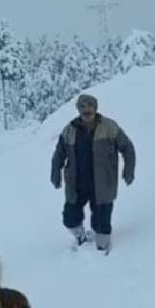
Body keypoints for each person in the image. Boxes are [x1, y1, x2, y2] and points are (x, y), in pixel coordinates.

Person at [50, 93, 135, 252]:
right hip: (77, 184)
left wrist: (128, 170)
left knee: (101, 224)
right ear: (78, 110)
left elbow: (127, 148)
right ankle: (81, 236)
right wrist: (55, 173)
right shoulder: (69, 130)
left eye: (89, 106)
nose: (86, 109)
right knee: (70, 218)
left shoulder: (109, 127)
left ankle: (103, 249)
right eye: (82, 106)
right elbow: (59, 154)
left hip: (103, 184)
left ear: (95, 108)